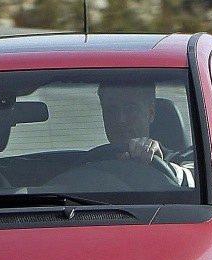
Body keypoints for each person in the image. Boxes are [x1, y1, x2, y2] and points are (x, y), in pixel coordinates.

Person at [50, 81, 185, 189]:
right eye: (111, 110)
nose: (121, 119)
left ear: (151, 113)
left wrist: (162, 165)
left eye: (130, 109)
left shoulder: (184, 160)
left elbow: (195, 179)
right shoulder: (88, 166)